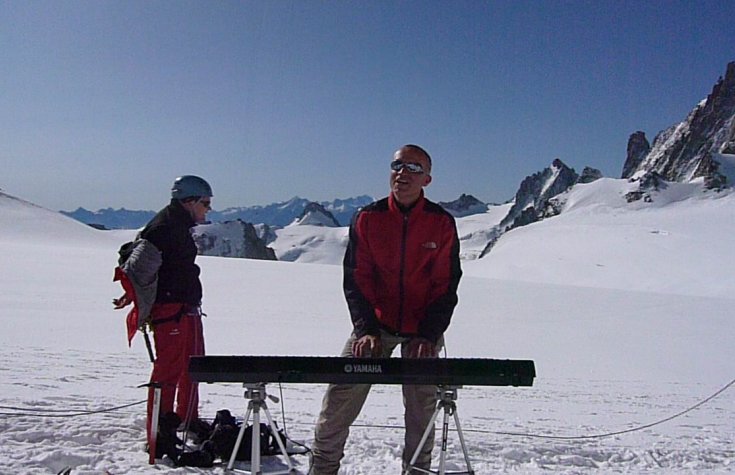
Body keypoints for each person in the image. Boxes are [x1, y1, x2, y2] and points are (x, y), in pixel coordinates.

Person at [312, 145, 463, 474]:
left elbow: (445, 285)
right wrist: (365, 330)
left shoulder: (440, 223)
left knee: (421, 414)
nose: (403, 173)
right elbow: (356, 278)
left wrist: (428, 335)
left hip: (421, 331)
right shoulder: (369, 218)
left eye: (413, 167)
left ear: (427, 179)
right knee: (337, 404)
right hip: (375, 326)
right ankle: (322, 470)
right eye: (397, 165)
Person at [113, 175, 213, 448]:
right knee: (168, 370)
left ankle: (187, 418)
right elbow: (138, 269)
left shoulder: (175, 224)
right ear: (190, 201)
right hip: (171, 309)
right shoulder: (164, 227)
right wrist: (137, 299)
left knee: (193, 365)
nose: (208, 208)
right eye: (205, 203)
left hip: (185, 306)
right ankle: (160, 433)